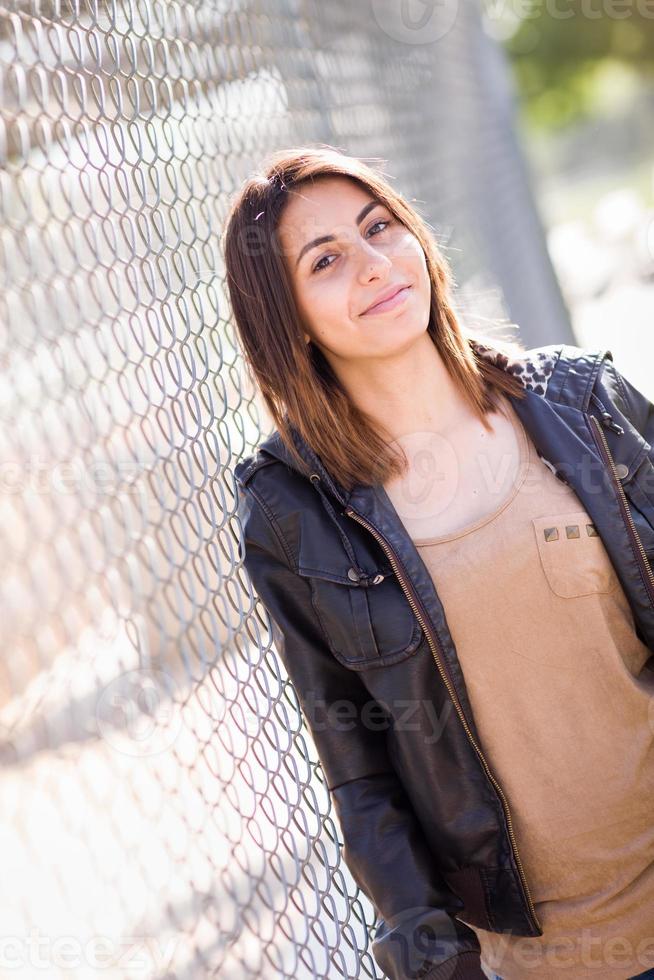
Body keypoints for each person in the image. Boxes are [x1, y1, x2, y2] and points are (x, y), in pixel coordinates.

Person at [222, 145, 654, 980]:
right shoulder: (296, 516)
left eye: (380, 227)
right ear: (288, 317)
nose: (375, 265)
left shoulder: (578, 403)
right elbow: (357, 767)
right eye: (327, 260)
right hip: (555, 956)